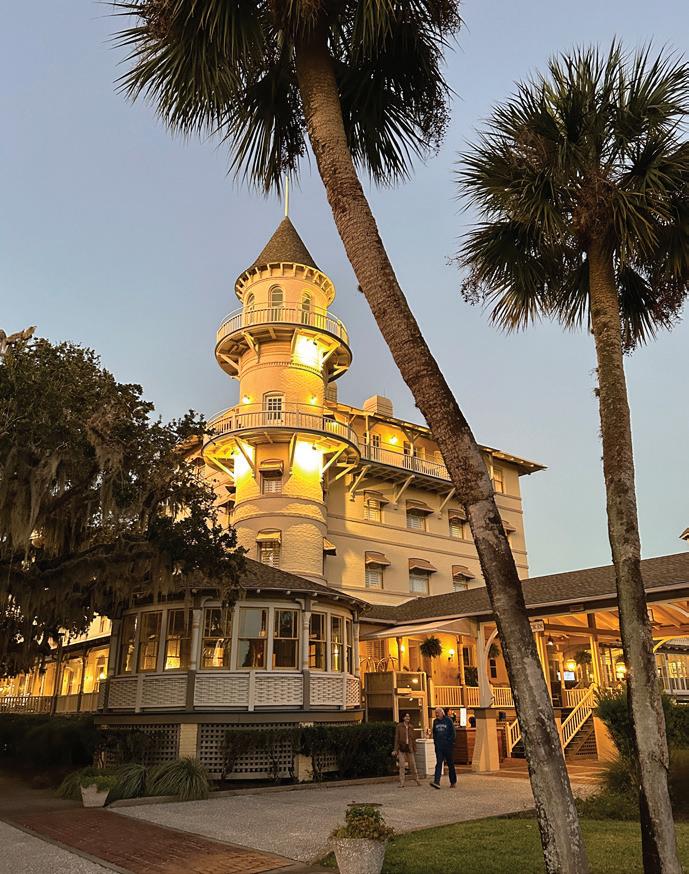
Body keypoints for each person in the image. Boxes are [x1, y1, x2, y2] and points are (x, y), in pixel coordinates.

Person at [430, 706, 456, 789]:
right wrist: (435, 742)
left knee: (450, 764)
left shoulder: (448, 720)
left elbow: (453, 733)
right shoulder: (435, 721)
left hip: (448, 746)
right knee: (439, 763)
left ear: (442, 713)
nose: (437, 714)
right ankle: (436, 782)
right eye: (436, 713)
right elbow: (434, 733)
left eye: (438, 713)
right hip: (439, 746)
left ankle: (453, 782)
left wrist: (450, 742)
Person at [393, 712, 421, 788]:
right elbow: (397, 738)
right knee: (402, 766)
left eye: (408, 716)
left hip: (409, 748)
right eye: (406, 716)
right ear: (403, 718)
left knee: (413, 765)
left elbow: (413, 738)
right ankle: (402, 782)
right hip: (402, 748)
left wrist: (415, 748)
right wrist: (395, 749)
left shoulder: (411, 727)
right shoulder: (399, 726)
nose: (408, 718)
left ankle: (417, 780)